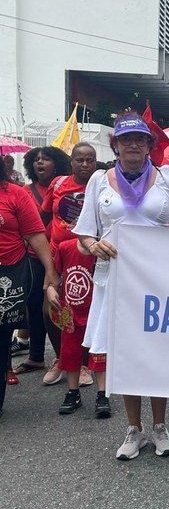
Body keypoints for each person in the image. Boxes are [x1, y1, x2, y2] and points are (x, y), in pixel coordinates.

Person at [74, 112, 169, 460]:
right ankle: (133, 429)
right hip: (116, 280)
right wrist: (93, 246)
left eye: (140, 139)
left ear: (150, 145)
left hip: (159, 280)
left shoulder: (167, 177)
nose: (133, 145)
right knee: (124, 355)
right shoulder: (99, 180)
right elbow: (83, 236)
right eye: (126, 140)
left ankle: (160, 426)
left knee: (158, 353)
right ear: (115, 145)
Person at [0, 160, 59, 415]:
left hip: (9, 275)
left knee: (2, 337)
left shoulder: (15, 193)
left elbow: (36, 234)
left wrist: (50, 271)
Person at [39, 142, 99, 387]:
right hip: (56, 258)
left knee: (86, 313)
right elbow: (44, 216)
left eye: (90, 160)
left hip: (89, 258)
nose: (84, 164)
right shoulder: (57, 184)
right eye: (79, 159)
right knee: (50, 310)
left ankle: (83, 362)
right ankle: (62, 359)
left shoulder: (101, 185)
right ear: (71, 161)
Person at [12, 146, 70, 375]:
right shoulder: (24, 191)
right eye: (36, 160)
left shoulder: (64, 186)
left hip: (63, 254)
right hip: (35, 258)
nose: (40, 163)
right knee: (35, 307)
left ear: (56, 163)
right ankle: (36, 356)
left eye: (46, 159)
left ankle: (68, 356)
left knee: (65, 307)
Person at [47, 237, 109, 418]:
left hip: (95, 310)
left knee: (98, 352)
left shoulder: (104, 251)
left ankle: (102, 394)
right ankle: (73, 393)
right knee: (69, 352)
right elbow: (56, 275)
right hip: (70, 311)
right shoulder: (65, 248)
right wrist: (51, 288)